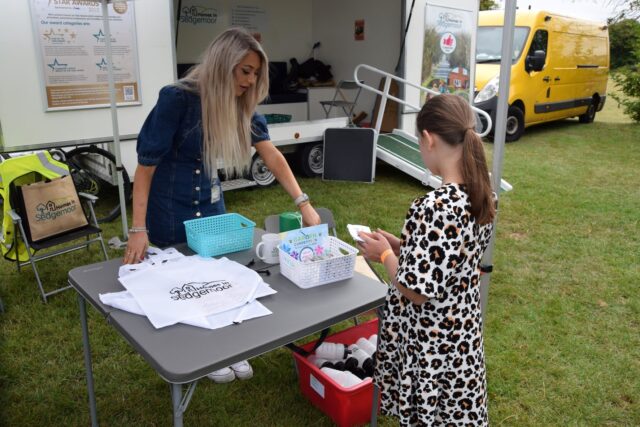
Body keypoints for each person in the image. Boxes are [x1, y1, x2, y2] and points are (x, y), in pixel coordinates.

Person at [124, 28, 321, 383]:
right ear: (223, 63)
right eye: (245, 70)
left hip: (213, 209)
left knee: (218, 277)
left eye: (255, 73)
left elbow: (272, 156)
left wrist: (303, 202)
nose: (250, 80)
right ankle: (202, 354)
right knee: (183, 286)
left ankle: (226, 347)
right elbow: (145, 167)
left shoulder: (240, 103)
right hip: (171, 210)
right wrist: (138, 230)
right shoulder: (176, 99)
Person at [358, 94, 495, 425]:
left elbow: (416, 290)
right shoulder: (481, 195)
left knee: (432, 416)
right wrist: (404, 246)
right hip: (461, 336)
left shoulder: (433, 207)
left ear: (428, 139)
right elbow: (449, 258)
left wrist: (386, 254)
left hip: (432, 340)